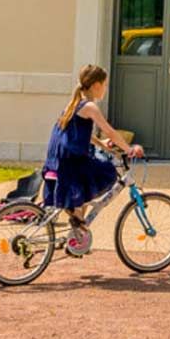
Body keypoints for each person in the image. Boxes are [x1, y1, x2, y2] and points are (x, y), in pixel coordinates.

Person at [42, 65, 142, 247]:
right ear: (96, 85)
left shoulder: (75, 103)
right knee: (107, 173)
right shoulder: (90, 107)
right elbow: (110, 131)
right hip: (71, 161)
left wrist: (101, 144)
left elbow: (80, 133)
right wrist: (129, 149)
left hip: (59, 159)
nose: (106, 88)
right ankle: (77, 220)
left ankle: (77, 231)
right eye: (105, 84)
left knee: (86, 185)